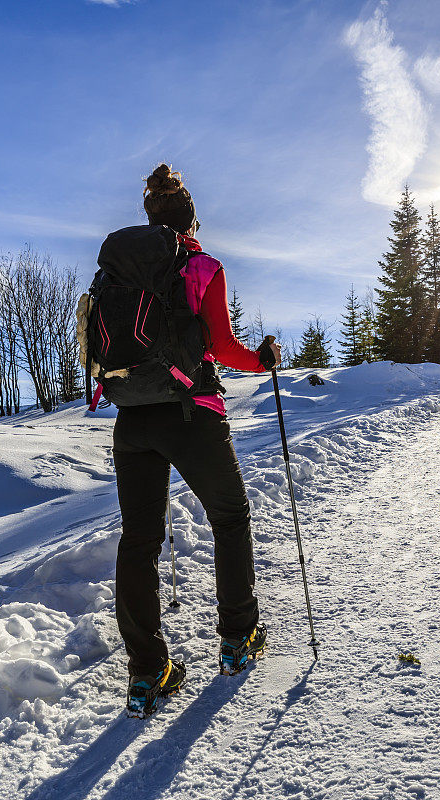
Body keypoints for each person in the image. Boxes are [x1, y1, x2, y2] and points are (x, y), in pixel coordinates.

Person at [111, 164, 280, 718]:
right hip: (191, 413)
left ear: (149, 215)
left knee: (139, 541)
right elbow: (224, 346)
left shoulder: (121, 268)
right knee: (229, 517)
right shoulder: (203, 266)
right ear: (190, 219)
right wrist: (261, 359)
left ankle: (146, 674)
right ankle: (237, 639)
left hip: (132, 417)